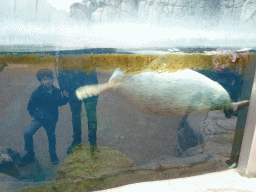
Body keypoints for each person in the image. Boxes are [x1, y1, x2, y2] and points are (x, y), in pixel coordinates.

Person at [18, 69, 69, 165]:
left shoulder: (56, 91)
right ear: (40, 81)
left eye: (50, 79)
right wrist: (36, 115)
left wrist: (65, 97)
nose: (48, 81)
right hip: (39, 119)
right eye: (45, 79)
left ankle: (53, 154)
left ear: (53, 80)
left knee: (51, 137)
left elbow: (60, 102)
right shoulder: (36, 93)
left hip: (51, 119)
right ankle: (30, 153)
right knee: (27, 133)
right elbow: (30, 107)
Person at [57, 68, 99, 154]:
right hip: (72, 86)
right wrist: (62, 86)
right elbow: (59, 65)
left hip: (90, 84)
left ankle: (93, 143)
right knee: (75, 116)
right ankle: (77, 141)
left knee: (92, 116)